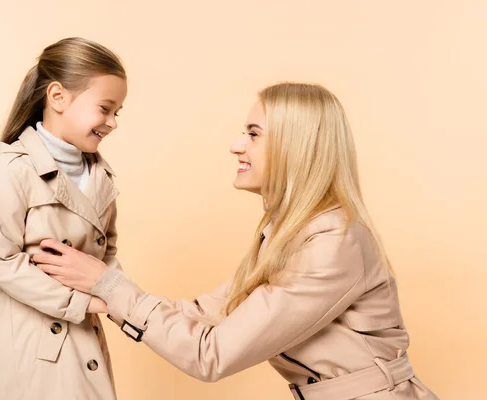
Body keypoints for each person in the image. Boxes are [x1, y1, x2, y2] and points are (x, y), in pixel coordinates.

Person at [34, 82, 438, 399]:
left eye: (254, 133)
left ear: (296, 145)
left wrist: (106, 284)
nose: (236, 145)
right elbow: (207, 313)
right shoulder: (287, 233)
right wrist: (103, 292)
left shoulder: (332, 242)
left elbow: (211, 354)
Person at [0, 37, 127, 400]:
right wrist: (86, 303)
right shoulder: (10, 171)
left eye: (118, 112)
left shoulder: (102, 177)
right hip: (29, 344)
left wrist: (125, 298)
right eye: (105, 108)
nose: (113, 122)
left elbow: (107, 254)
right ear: (58, 96)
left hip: (84, 336)